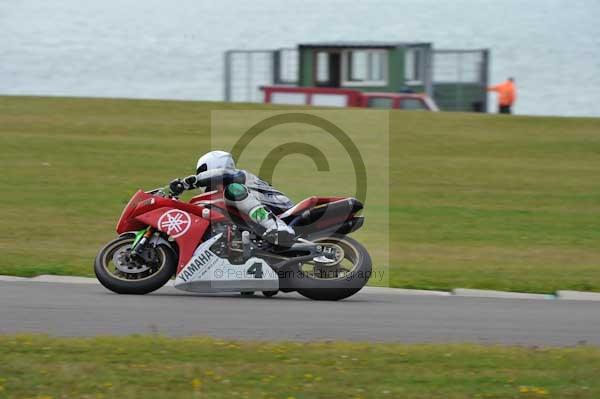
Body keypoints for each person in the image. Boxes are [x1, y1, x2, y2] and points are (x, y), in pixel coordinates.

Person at [168, 150, 296, 246]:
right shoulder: (222, 197)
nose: (200, 175)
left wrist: (187, 183)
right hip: (259, 217)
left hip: (280, 206)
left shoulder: (236, 176)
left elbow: (221, 174)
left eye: (202, 171)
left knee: (233, 191)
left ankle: (278, 227)